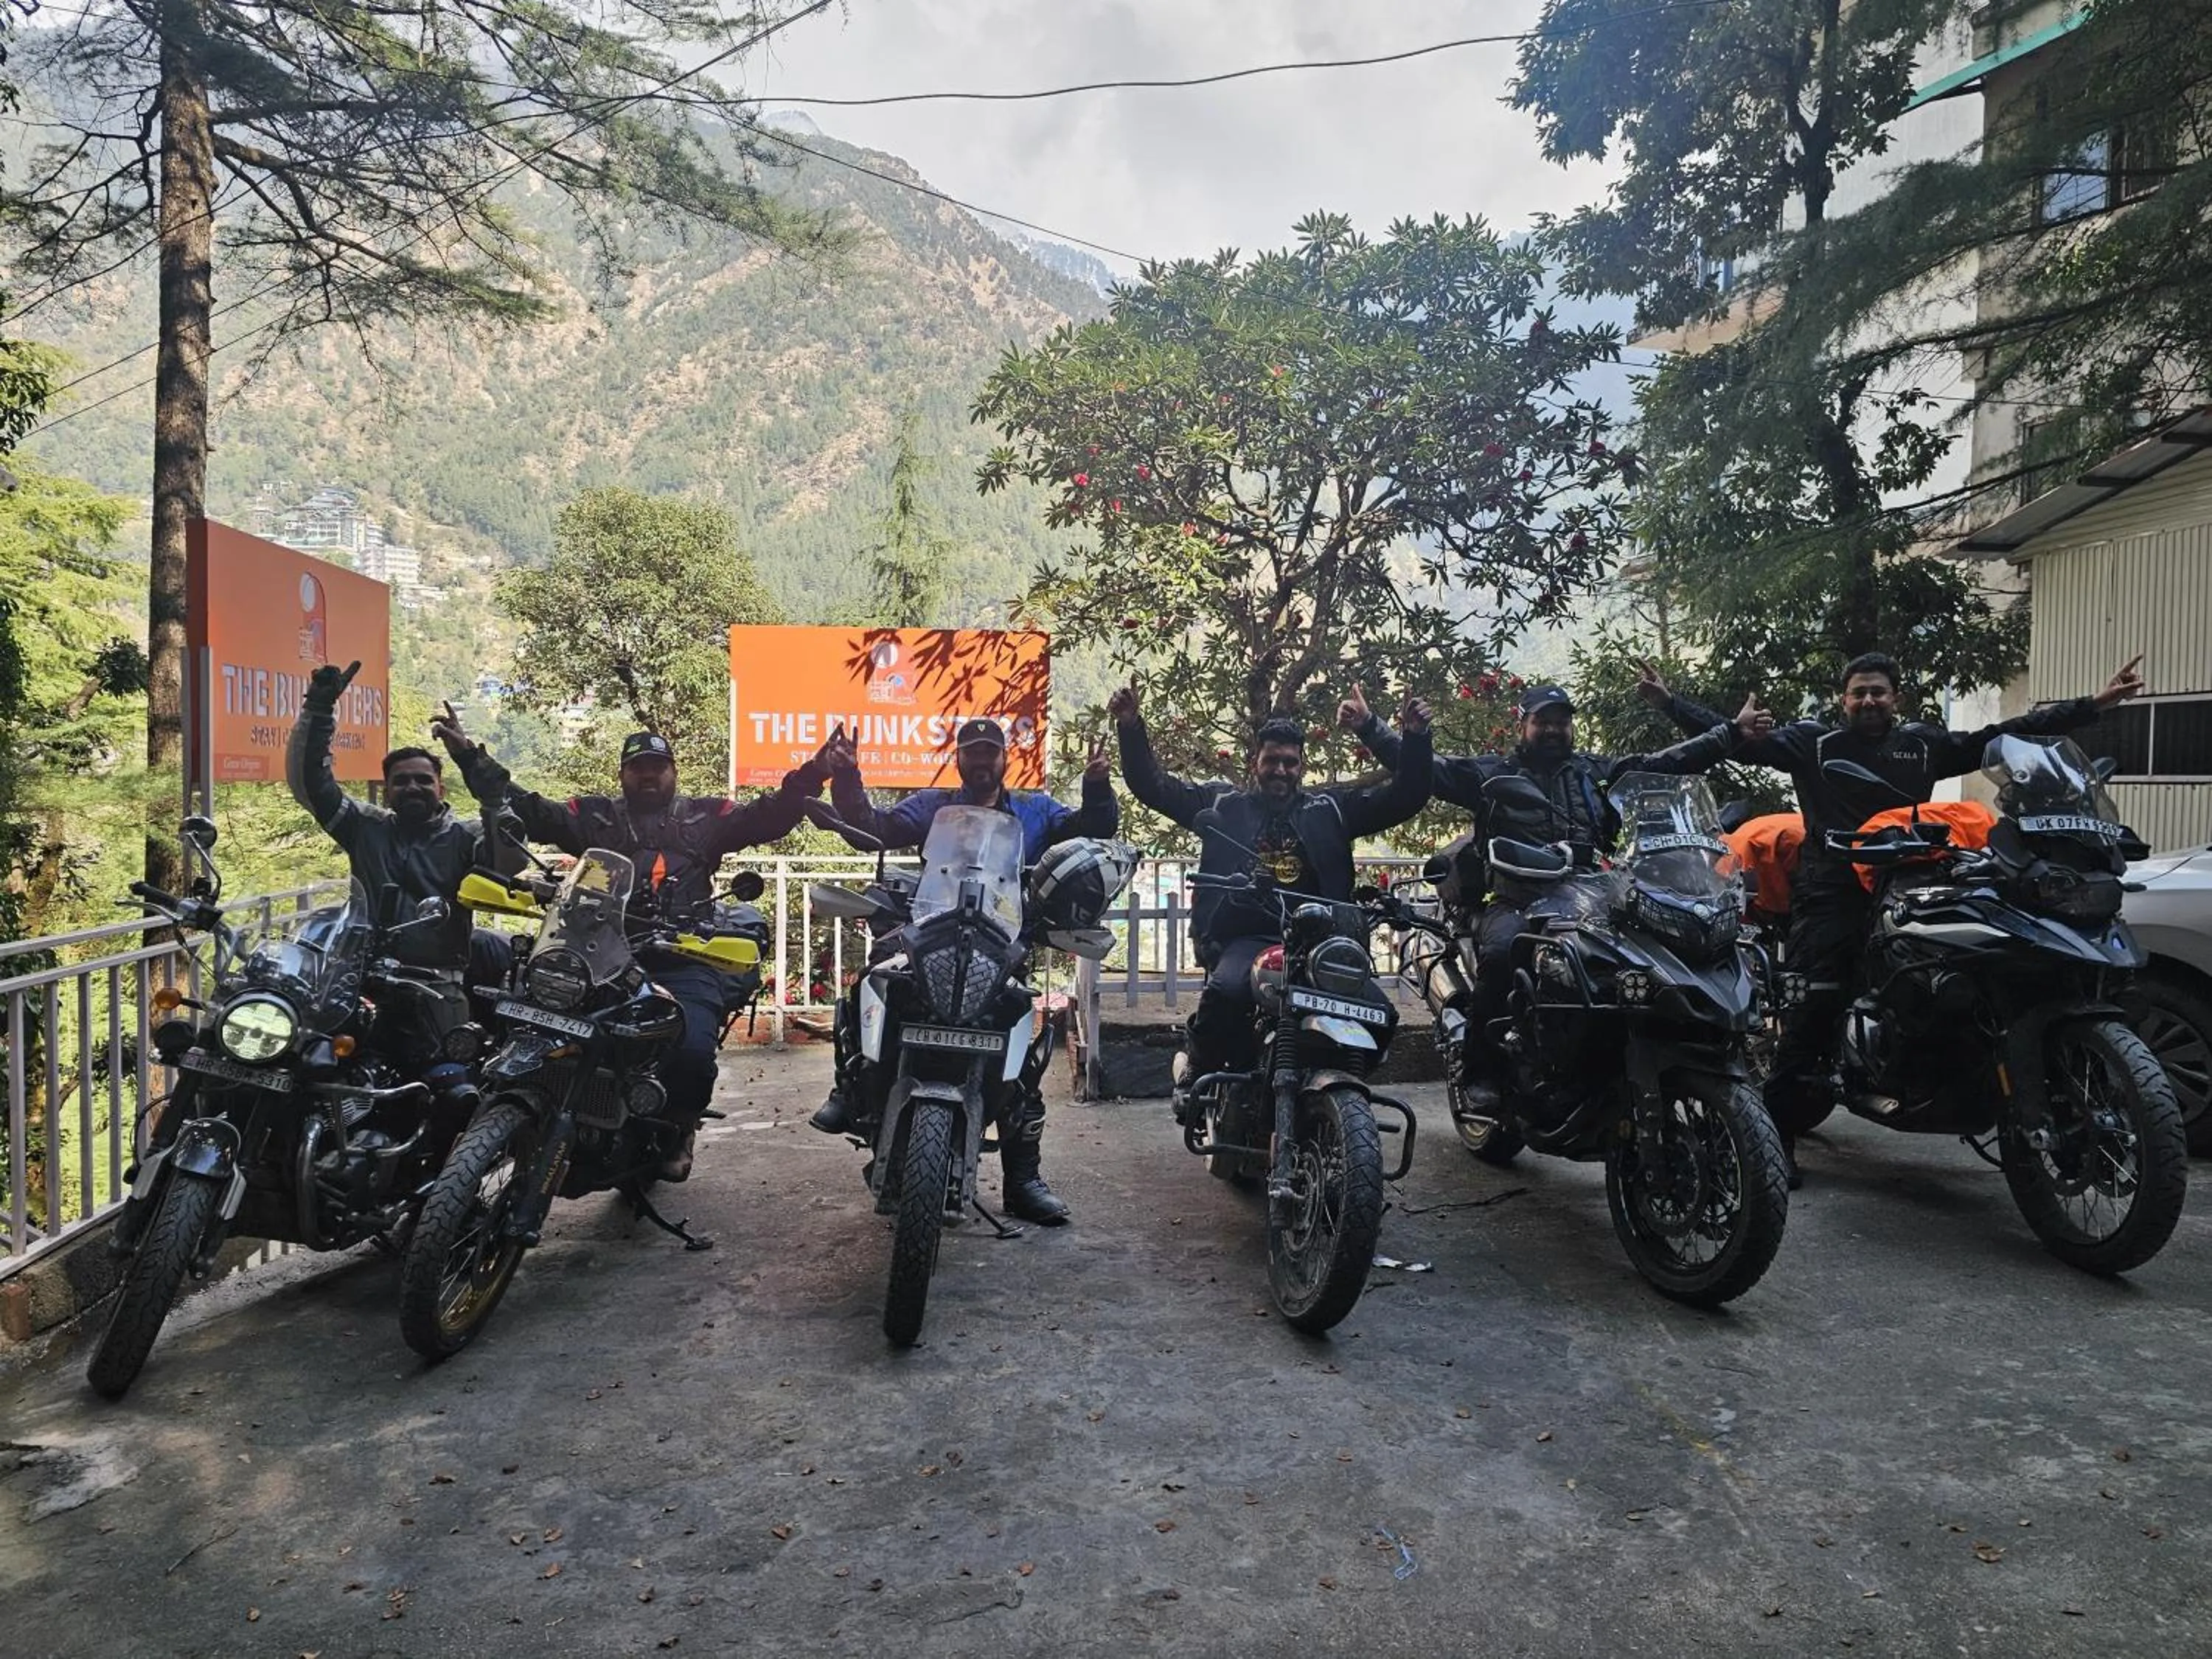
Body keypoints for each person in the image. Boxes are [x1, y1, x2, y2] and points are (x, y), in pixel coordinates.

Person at [1641, 651, 2148, 1174]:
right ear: (1844, 699)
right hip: (1833, 887)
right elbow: (1742, 744)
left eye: (1878, 692)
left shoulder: (1922, 746)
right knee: (1816, 1002)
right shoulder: (1814, 742)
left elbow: (2007, 732)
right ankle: (1780, 1139)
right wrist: (1671, 703)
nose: (1868, 700)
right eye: (1858, 692)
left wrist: (2094, 705)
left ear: (1895, 698)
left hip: (1913, 882)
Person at [436, 713, 848, 1182]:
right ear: (622, 774)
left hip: (682, 956)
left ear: (673, 771)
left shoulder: (706, 818)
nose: (648, 774)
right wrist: (469, 756)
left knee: (692, 1052)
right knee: (522, 1013)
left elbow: (771, 813)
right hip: (597, 954)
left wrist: (817, 770)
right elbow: (529, 808)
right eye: (638, 767)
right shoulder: (591, 815)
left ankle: (677, 1128)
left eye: (657, 766)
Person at [1340, 678, 1767, 1116]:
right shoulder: (1493, 773)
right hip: (1514, 897)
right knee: (1506, 953)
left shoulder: (1594, 773)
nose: (1552, 730)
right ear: (1522, 723)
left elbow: (1666, 763)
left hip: (1595, 899)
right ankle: (1480, 1070)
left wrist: (1731, 733)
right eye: (1542, 721)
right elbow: (1426, 771)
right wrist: (1373, 728)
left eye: (1561, 722)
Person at [809, 717, 1121, 1227]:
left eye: (990, 752)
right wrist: (846, 776)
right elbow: (876, 828)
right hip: (931, 931)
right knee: (874, 977)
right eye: (972, 752)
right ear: (959, 759)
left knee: (1025, 1046)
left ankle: (1022, 1181)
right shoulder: (934, 807)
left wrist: (1097, 783)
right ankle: (850, 1087)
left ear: (1005, 760)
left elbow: (1092, 828)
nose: (981, 761)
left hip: (1000, 942)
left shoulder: (1035, 812)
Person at [1110, 684, 1432, 1091]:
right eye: (1272, 760)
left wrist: (1416, 740)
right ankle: (1198, 1067)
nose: (1281, 769)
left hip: (1319, 941)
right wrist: (1130, 727)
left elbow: (1407, 796)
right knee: (1225, 993)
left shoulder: (1331, 809)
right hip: (1247, 935)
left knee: (1381, 1014)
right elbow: (1153, 785)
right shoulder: (1224, 805)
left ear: (1302, 765)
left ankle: (1338, 1086)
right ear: (1254, 762)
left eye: (1290, 762)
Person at [287, 662, 518, 1113]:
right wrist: (319, 708)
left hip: (436, 986)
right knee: (308, 1077)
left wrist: (490, 793)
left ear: (440, 786)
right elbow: (310, 782)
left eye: (423, 780)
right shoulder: (365, 828)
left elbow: (506, 864)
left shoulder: (468, 836)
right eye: (401, 781)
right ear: (386, 789)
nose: (412, 787)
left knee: (446, 1098)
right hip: (353, 981)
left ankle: (448, 1178)